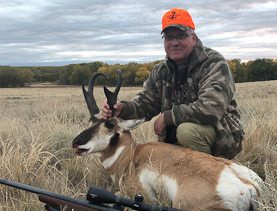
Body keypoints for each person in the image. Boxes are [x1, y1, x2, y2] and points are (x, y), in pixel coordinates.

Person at [102, 8, 244, 159]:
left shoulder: (214, 63)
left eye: (181, 36)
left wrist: (167, 118)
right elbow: (145, 104)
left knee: (186, 132)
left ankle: (210, 174)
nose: (174, 43)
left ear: (193, 38)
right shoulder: (161, 71)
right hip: (175, 140)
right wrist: (122, 109)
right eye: (169, 37)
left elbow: (211, 108)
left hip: (221, 136)